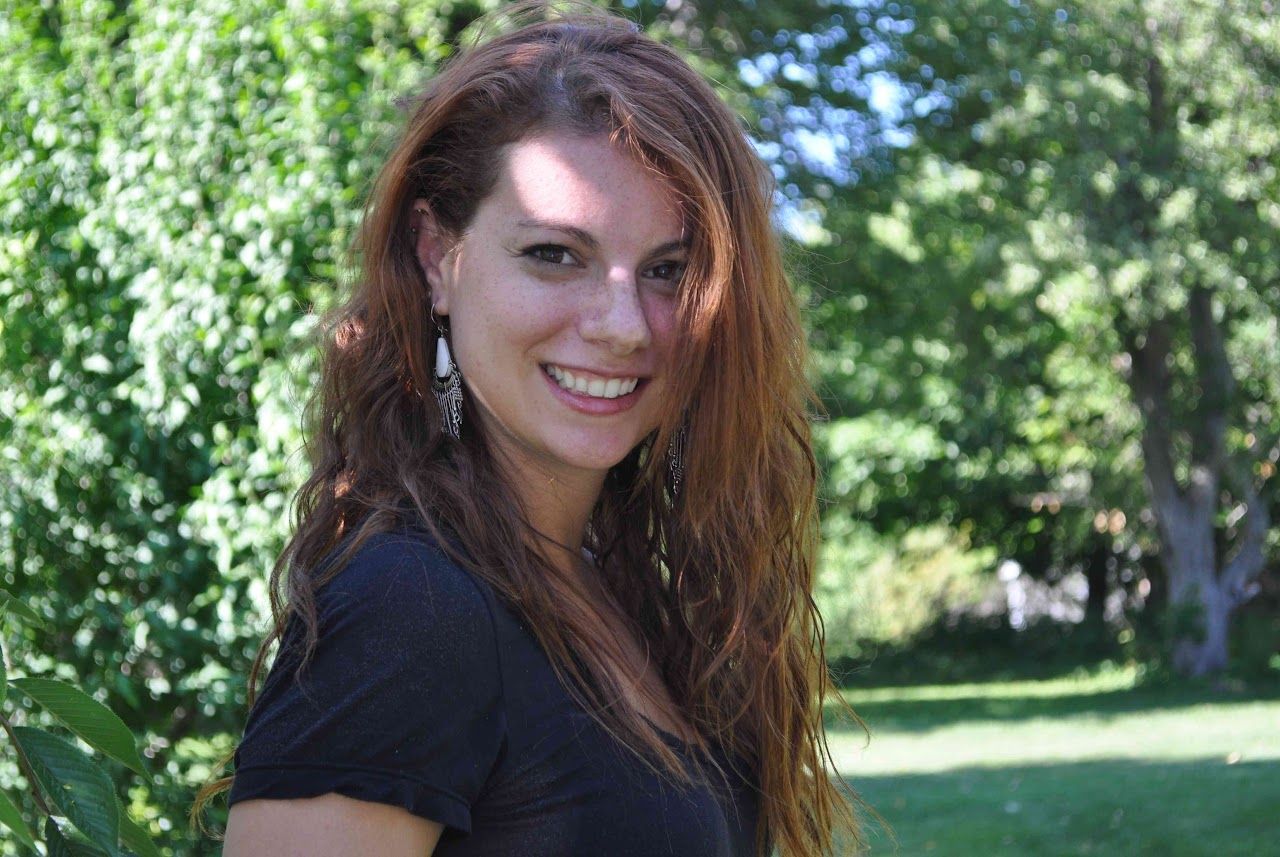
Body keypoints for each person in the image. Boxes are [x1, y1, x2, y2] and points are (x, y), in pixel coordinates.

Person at [192, 2, 868, 854]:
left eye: (668, 270)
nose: (625, 324)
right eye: (555, 254)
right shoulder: (412, 609)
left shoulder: (628, 595)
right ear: (438, 256)